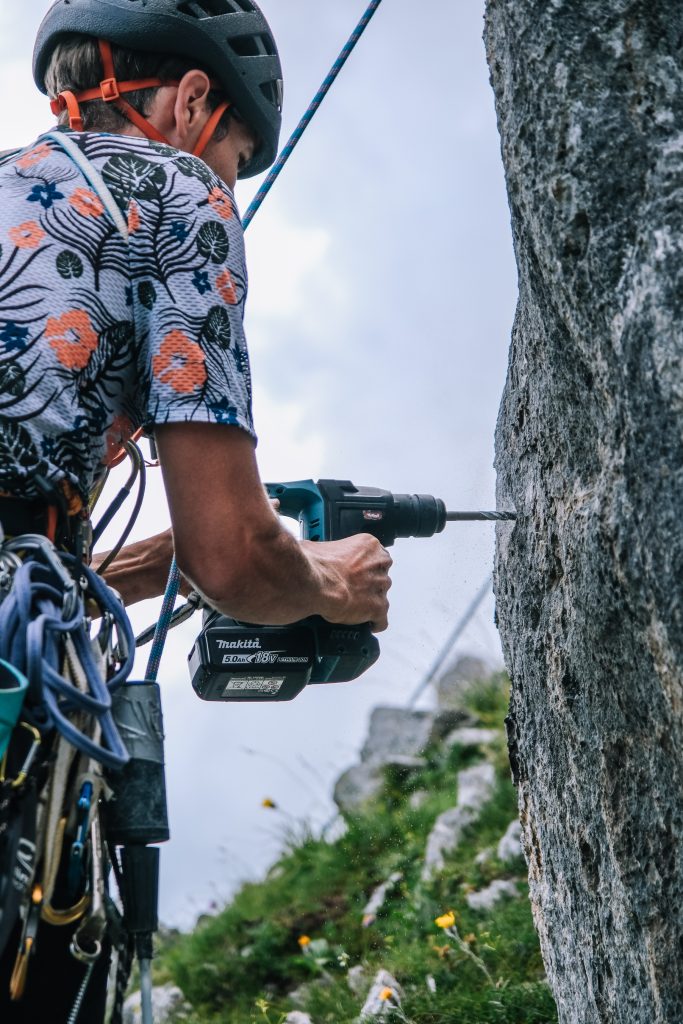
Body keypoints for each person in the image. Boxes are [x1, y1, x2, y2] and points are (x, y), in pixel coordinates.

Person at [0, 0, 392, 1019]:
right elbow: (235, 560)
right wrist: (333, 584)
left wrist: (139, 559)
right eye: (233, 153)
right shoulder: (175, 193)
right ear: (187, 101)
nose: (225, 180)